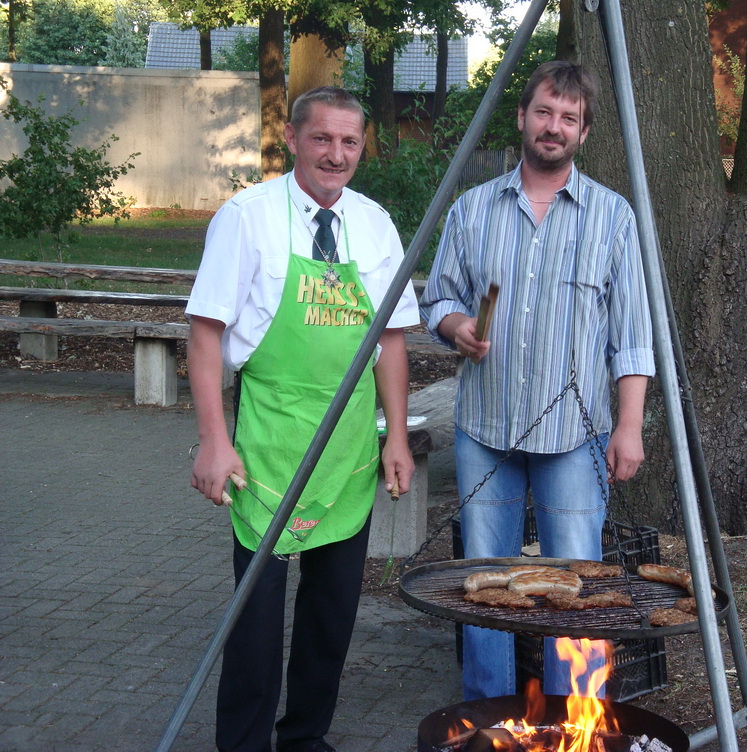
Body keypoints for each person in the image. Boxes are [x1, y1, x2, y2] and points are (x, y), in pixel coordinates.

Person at [186, 86, 419, 752]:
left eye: (350, 142)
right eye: (322, 139)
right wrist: (213, 442)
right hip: (268, 443)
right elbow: (205, 335)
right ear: (292, 139)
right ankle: (243, 743)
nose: (336, 154)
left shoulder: (375, 224)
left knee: (330, 615)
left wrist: (396, 436)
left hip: (348, 449)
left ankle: (306, 739)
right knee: (256, 620)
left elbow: (392, 341)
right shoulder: (247, 217)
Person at [420, 61, 655, 700]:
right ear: (523, 118)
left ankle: (577, 718)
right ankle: (488, 716)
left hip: (576, 439)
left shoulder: (614, 218)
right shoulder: (472, 211)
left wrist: (629, 426)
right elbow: (435, 300)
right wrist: (458, 327)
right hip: (485, 430)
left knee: (575, 587)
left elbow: (633, 335)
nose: (554, 127)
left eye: (569, 119)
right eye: (545, 112)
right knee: (486, 585)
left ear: (583, 133)